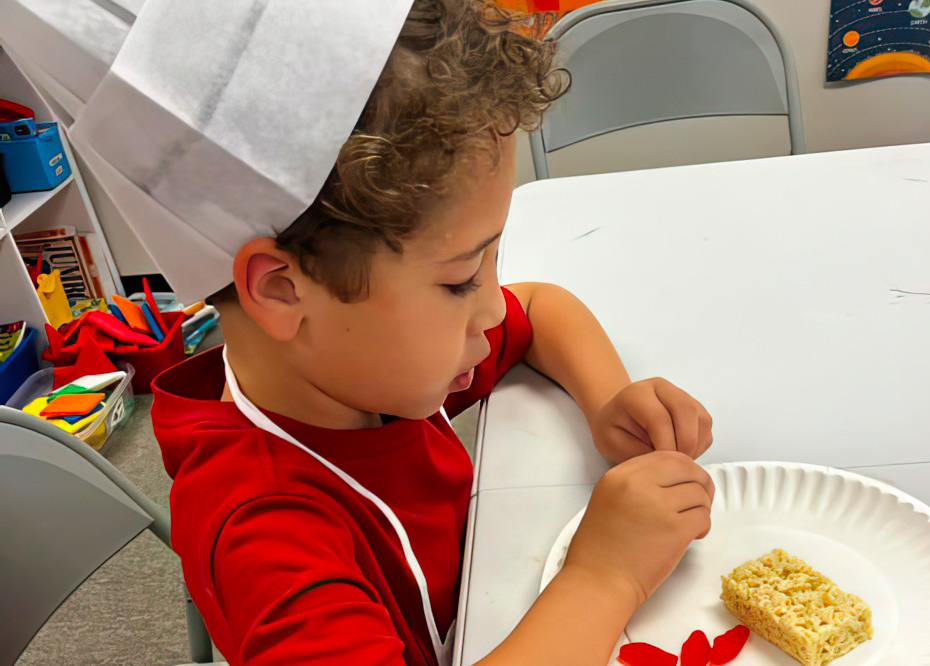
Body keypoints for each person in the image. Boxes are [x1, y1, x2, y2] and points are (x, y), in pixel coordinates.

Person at [150, 1, 715, 664]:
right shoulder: (265, 535)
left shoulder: (355, 368)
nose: (495, 311)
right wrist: (603, 577)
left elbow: (542, 308)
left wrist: (610, 400)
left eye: (490, 260)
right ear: (282, 291)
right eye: (459, 279)